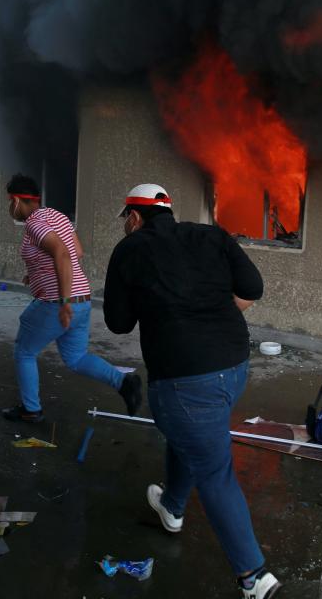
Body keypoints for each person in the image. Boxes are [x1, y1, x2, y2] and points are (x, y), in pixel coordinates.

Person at [103, 184, 280, 599]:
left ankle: (254, 577)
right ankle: (172, 507)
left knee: (215, 472)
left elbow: (117, 324)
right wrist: (212, 311)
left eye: (126, 220)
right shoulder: (210, 235)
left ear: (133, 217)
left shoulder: (129, 250)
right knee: (191, 439)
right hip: (234, 369)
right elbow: (252, 288)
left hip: (185, 381)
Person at [1, 174, 142, 423]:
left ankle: (31, 409)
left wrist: (64, 302)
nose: (9, 208)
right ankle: (124, 382)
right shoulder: (56, 215)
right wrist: (35, 273)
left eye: (9, 202)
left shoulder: (34, 223)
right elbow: (77, 250)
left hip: (58, 303)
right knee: (76, 359)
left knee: (24, 351)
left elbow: (63, 254)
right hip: (83, 299)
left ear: (16, 201)